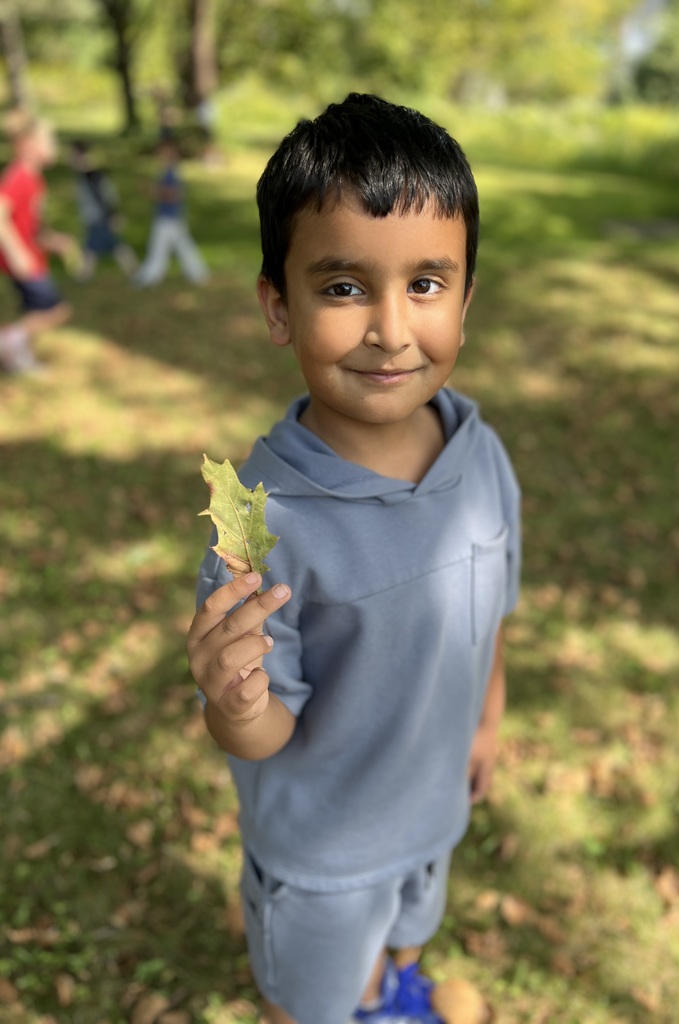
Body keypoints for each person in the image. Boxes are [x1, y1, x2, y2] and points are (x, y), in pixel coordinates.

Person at [187, 93, 521, 1024]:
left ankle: (392, 986)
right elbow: (262, 733)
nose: (390, 327)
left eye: (426, 283)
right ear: (278, 306)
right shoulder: (264, 525)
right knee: (317, 1001)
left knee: (409, 938)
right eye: (342, 287)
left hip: (431, 812)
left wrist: (486, 723)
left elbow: (493, 612)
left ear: (464, 298)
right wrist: (233, 698)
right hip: (325, 854)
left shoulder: (480, 455)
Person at [0, 110, 75, 374]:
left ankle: (19, 357)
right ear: (27, 145)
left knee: (36, 312)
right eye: (49, 141)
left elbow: (31, 227)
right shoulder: (19, 176)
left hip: (32, 257)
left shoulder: (35, 179)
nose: (53, 147)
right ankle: (8, 341)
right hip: (23, 261)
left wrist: (53, 241)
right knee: (56, 311)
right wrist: (17, 252)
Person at [133, 136, 208, 287]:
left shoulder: (171, 173)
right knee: (183, 246)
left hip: (168, 218)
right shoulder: (169, 171)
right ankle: (198, 273)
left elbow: (173, 194)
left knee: (159, 248)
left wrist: (152, 190)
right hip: (171, 217)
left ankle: (150, 276)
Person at [70, 139, 137, 281]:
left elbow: (103, 196)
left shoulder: (90, 175)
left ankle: (85, 274)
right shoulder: (84, 174)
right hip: (95, 217)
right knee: (107, 245)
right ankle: (132, 269)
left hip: (98, 217)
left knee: (102, 245)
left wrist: (112, 214)